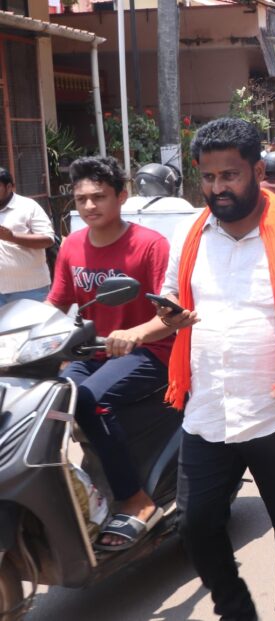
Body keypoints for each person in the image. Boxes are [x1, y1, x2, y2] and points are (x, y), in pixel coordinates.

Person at [125, 117, 275, 621]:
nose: (218, 187)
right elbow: (170, 303)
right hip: (208, 410)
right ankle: (236, 610)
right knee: (195, 525)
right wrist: (150, 326)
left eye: (230, 176)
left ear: (257, 172)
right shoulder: (191, 234)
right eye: (209, 177)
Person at [47, 156, 173, 550]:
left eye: (99, 197)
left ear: (121, 196)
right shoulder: (71, 245)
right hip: (94, 352)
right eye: (81, 199)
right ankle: (76, 492)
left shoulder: (150, 245)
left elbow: (171, 314)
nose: (89, 206)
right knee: (48, 400)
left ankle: (137, 501)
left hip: (151, 351)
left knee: (88, 399)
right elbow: (55, 305)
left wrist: (135, 333)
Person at [0, 167, 55, 305]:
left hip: (30, 290)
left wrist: (12, 237)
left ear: (8, 187)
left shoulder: (28, 206)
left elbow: (48, 240)